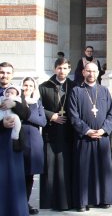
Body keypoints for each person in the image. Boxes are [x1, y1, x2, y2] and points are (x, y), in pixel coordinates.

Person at [68, 62, 112, 212]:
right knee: (84, 170)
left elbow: (111, 115)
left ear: (98, 73)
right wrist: (87, 130)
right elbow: (73, 116)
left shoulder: (104, 91)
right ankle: (83, 201)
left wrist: (103, 130)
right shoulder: (76, 91)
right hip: (84, 138)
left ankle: (103, 199)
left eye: (94, 71)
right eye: (88, 71)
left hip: (102, 138)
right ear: (83, 72)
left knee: (103, 169)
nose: (91, 74)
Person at [38, 57, 77, 211]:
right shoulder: (43, 87)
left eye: (65, 68)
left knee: (66, 169)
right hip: (51, 133)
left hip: (68, 133)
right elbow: (37, 106)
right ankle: (48, 202)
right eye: (59, 68)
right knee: (50, 169)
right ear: (55, 69)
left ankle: (66, 201)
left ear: (69, 69)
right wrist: (51, 116)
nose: (62, 71)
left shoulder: (74, 86)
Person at [0, 62, 31, 215]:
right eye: (1, 72)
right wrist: (2, 124)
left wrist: (14, 104)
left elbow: (27, 114)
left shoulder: (16, 92)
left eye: (7, 73)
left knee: (14, 180)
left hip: (14, 144)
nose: (4, 75)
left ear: (12, 75)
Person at [21, 77, 47, 215]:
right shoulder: (17, 101)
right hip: (19, 142)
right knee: (18, 175)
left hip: (34, 142)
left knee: (30, 175)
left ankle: (26, 202)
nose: (28, 88)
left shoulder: (37, 102)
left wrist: (25, 113)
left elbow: (42, 121)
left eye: (31, 85)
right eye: (25, 85)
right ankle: (18, 202)